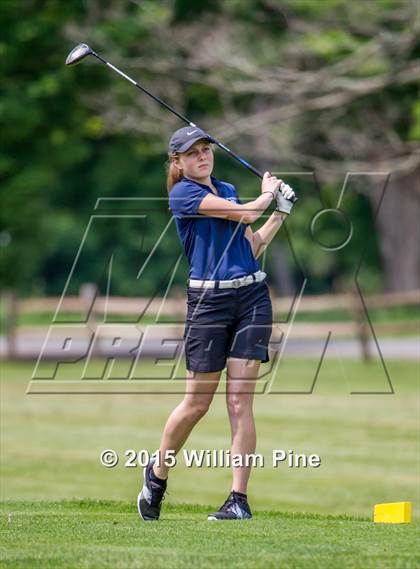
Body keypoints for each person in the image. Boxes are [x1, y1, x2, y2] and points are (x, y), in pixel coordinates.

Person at [138, 126, 295, 521]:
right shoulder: (184, 194)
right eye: (192, 153)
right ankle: (157, 475)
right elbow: (244, 212)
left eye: (206, 149)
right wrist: (266, 192)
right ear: (178, 162)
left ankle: (238, 500)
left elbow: (252, 244)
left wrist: (280, 212)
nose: (202, 157)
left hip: (252, 298)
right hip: (209, 303)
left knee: (240, 401)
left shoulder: (225, 188)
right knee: (197, 404)